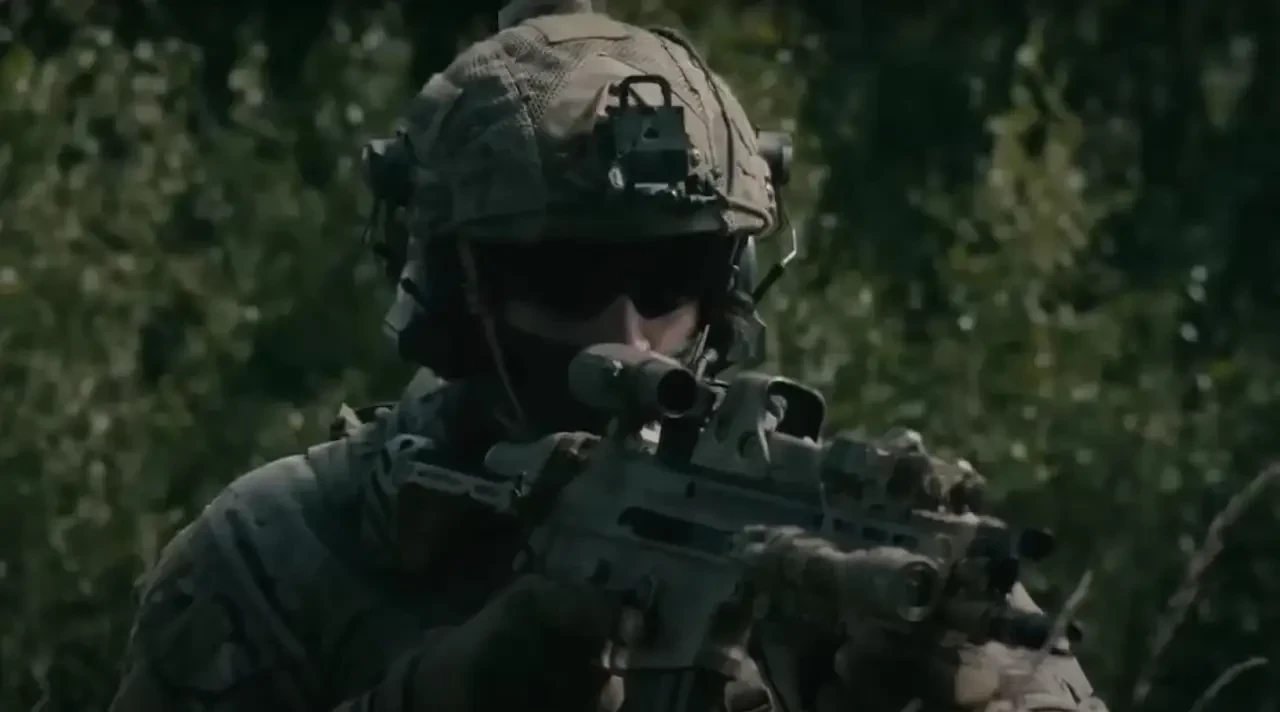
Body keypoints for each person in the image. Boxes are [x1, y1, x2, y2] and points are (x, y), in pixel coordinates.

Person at [107, 2, 1108, 711]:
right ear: (457, 290)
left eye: (669, 280)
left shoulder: (846, 547)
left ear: (728, 286)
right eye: (568, 280)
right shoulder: (281, 554)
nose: (626, 336)